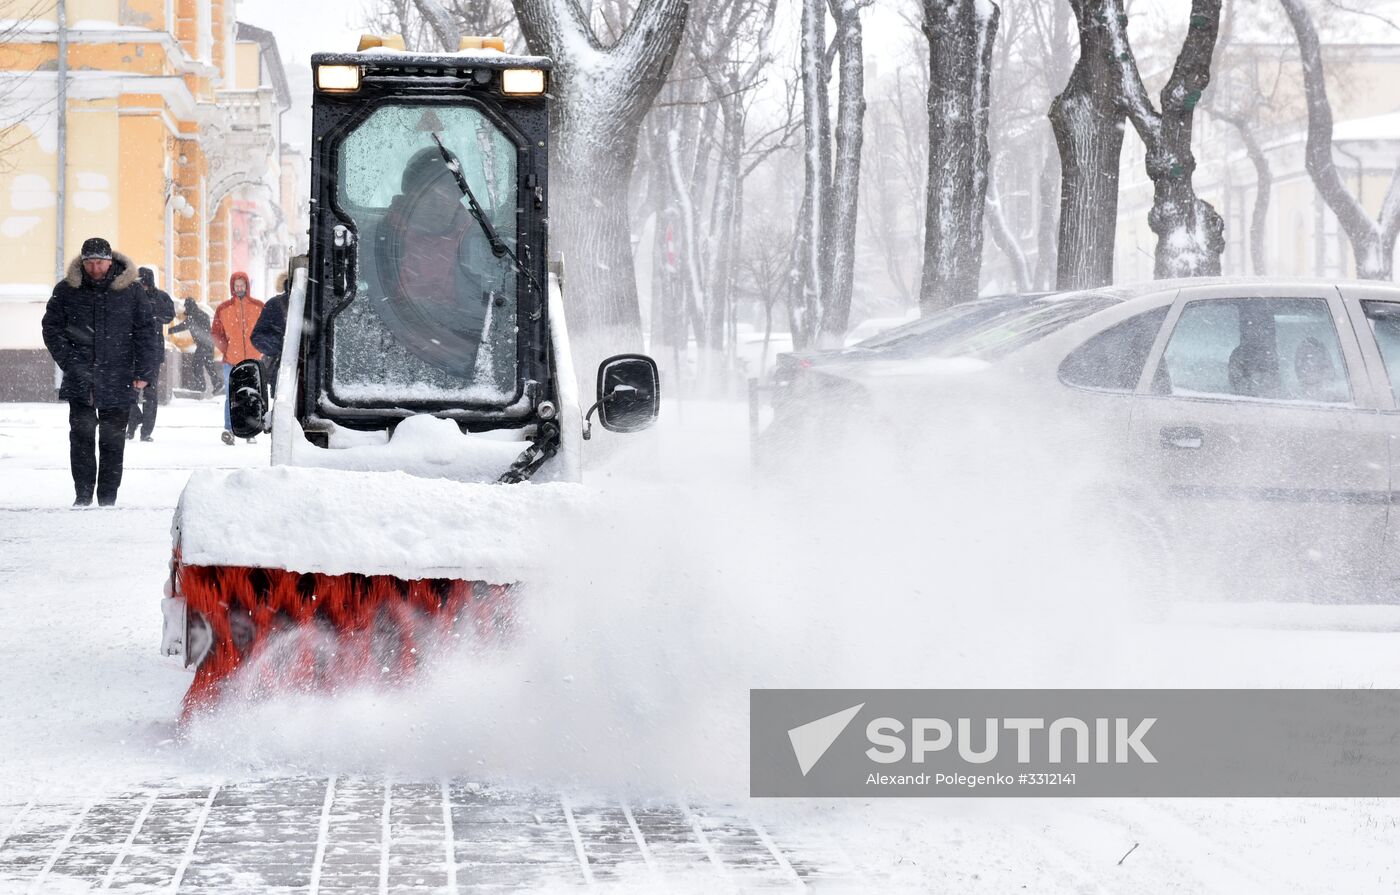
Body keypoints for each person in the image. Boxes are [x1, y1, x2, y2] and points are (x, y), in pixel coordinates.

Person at [40, 237, 161, 507]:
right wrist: (70, 361)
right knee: (81, 436)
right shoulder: (67, 290)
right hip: (80, 377)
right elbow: (51, 329)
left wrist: (143, 371)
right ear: (82, 263)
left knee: (112, 440)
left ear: (110, 261)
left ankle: (107, 497)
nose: (95, 269)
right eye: (90, 263)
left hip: (119, 376)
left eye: (100, 263)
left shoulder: (131, 290)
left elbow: (146, 332)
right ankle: (83, 495)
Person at [211, 271, 264, 444]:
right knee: (231, 396)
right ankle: (229, 430)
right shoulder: (223, 309)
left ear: (247, 286)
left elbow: (265, 330)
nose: (239, 288)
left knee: (252, 396)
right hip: (231, 361)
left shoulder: (258, 306)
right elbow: (216, 334)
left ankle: (251, 432)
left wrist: (259, 348)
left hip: (253, 360)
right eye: (236, 285)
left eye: (242, 285)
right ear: (232, 287)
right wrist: (227, 349)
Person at [127, 267, 176, 442]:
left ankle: (146, 431)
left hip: (153, 351)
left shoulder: (161, 297)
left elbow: (170, 314)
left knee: (150, 393)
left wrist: (155, 317)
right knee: (128, 392)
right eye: (141, 283)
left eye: (146, 283)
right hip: (132, 351)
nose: (144, 286)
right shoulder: (131, 297)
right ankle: (132, 423)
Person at [170, 298, 221, 395]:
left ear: (189, 306)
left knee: (196, 365)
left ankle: (200, 386)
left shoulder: (193, 317)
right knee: (209, 366)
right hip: (209, 344)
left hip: (203, 345)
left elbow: (182, 326)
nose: (186, 309)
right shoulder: (201, 314)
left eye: (186, 306)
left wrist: (169, 330)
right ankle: (217, 383)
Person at [250, 273, 289, 394]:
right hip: (284, 373)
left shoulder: (316, 301)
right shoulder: (276, 304)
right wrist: (281, 346)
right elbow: (257, 336)